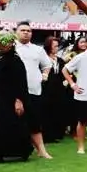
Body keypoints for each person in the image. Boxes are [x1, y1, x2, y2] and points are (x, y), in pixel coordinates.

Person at [0, 31, 33, 163]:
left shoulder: (15, 60)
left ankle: (22, 151)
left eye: (5, 44)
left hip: (9, 98)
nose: (1, 46)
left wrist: (19, 100)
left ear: (11, 44)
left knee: (12, 125)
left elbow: (21, 82)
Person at [14, 21, 53, 159]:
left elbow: (47, 64)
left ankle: (41, 150)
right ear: (16, 32)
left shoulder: (38, 49)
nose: (26, 33)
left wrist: (45, 74)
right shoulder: (10, 47)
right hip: (14, 92)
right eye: (23, 30)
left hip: (34, 90)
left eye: (29, 31)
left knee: (35, 122)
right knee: (15, 122)